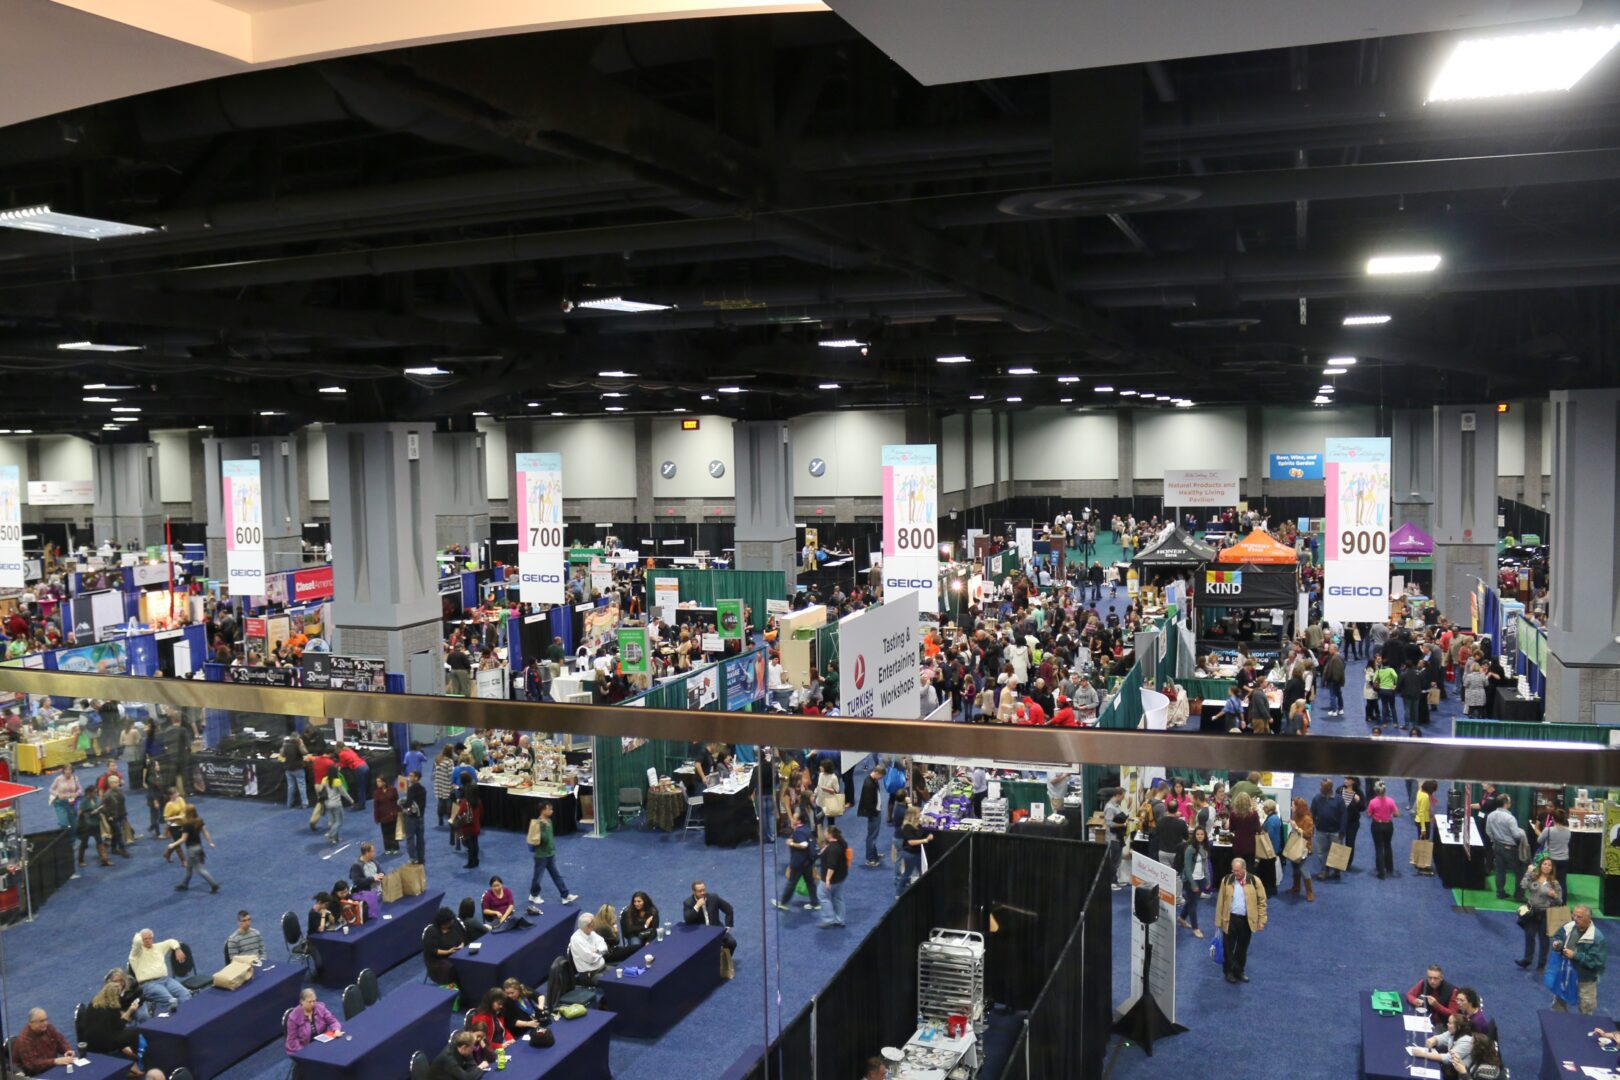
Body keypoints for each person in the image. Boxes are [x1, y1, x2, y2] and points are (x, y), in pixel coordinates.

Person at [1214, 857, 1267, 984]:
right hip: (1229, 919)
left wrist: (1262, 920)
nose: (1235, 873)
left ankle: (1239, 971)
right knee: (1228, 948)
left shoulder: (1254, 881)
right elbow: (1220, 901)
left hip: (1246, 920)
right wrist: (1218, 921)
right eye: (1233, 870)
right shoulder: (1226, 880)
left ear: (1244, 869)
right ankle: (1228, 972)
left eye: (1237, 871)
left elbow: (1262, 902)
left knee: (1242, 948)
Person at [1552, 904, 1607, 1015]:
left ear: (1589, 918)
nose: (1575, 919)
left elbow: (1597, 963)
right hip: (1565, 974)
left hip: (1584, 980)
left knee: (1586, 1010)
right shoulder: (1569, 926)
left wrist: (1575, 955)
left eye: (1579, 917)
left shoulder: (1597, 938)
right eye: (1574, 915)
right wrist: (1557, 942)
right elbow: (1558, 935)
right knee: (1558, 1004)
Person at [80, 977, 143, 1063]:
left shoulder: (93, 1003)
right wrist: (129, 1011)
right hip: (104, 1044)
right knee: (134, 1032)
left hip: (90, 1043)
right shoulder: (112, 1008)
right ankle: (136, 1058)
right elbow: (120, 1028)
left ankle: (126, 1051)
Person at [526, 801, 577, 908]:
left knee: (557, 875)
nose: (552, 811)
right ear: (543, 810)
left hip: (550, 854)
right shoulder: (538, 824)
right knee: (537, 877)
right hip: (541, 856)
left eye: (551, 809)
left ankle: (565, 895)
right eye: (549, 809)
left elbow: (550, 839)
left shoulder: (549, 821)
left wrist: (553, 850)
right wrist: (543, 828)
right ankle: (533, 895)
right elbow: (540, 839)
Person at [1518, 856, 1564, 970]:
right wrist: (1528, 872)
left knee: (1543, 939)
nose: (1546, 866)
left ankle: (1541, 963)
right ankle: (1527, 959)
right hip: (1531, 912)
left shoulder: (1554, 883)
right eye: (1544, 864)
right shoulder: (1533, 877)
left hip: (1545, 914)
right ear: (1540, 866)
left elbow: (1560, 902)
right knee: (1529, 936)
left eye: (1549, 865)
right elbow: (1523, 885)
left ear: (1552, 868)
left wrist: (1554, 896)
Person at [128, 930, 191, 1012]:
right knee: (171, 1001)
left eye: (150, 938)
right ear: (141, 940)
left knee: (185, 994)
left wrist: (177, 949)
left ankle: (187, 1014)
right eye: (145, 939)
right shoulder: (136, 953)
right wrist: (139, 935)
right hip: (149, 984)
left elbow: (171, 941)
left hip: (166, 980)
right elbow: (136, 942)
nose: (148, 940)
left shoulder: (158, 947)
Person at [166, 806, 218, 892]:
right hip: (199, 847)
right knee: (189, 867)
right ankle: (184, 884)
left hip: (191, 849)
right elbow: (206, 832)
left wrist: (173, 844)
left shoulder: (187, 825)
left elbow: (183, 839)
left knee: (200, 869)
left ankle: (214, 884)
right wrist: (210, 842)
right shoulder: (199, 820)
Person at [776, 810, 821, 911]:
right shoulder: (806, 829)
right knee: (810, 882)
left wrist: (791, 843)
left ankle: (783, 903)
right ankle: (815, 903)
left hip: (799, 862)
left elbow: (804, 845)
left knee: (792, 883)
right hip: (808, 862)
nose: (792, 819)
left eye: (794, 818)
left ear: (799, 821)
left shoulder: (798, 832)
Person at [1485, 794, 1526, 901]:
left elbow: (1488, 831)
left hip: (1497, 845)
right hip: (1510, 847)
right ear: (1506, 804)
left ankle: (1500, 893)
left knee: (1500, 870)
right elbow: (1516, 835)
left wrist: (1495, 840)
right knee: (1520, 872)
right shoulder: (1510, 818)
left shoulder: (1490, 815)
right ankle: (1519, 895)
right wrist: (1520, 836)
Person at [12, 1008, 74, 1075]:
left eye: (46, 1019)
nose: (45, 1023)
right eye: (41, 1021)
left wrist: (67, 1050)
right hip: (34, 1074)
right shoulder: (25, 1040)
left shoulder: (48, 1028)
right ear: (31, 1023)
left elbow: (60, 1041)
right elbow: (33, 1065)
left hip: (51, 1067)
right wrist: (55, 1061)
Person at [1411, 1011, 1475, 1075]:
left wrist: (1423, 1054)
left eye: (1450, 1023)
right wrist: (1433, 1040)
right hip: (1451, 1067)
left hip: (1459, 1074)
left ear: (1458, 1027)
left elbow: (1448, 1058)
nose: (1447, 1024)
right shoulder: (1453, 1032)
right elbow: (1441, 1037)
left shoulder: (1466, 1042)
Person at [1177, 824, 1213, 939]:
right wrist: (1192, 883)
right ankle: (1195, 928)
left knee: (1191, 901)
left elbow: (1205, 865)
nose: (1200, 836)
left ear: (1205, 835)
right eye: (1197, 834)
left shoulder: (1204, 847)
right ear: (1194, 835)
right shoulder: (1190, 849)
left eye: (1202, 834)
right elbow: (1187, 868)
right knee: (1193, 905)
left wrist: (1207, 879)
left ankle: (1181, 918)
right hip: (1190, 880)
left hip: (1201, 879)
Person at [684, 879, 737, 954]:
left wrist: (728, 927)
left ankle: (723, 958)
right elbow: (688, 920)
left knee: (732, 943)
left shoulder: (714, 898)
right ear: (694, 892)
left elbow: (729, 909)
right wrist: (697, 906)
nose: (703, 893)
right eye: (699, 891)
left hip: (716, 929)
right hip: (700, 933)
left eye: (704, 890)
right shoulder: (688, 903)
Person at [499, 978, 554, 1047]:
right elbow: (511, 1022)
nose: (510, 995)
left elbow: (540, 996)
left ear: (518, 990)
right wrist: (528, 1024)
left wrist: (540, 1007)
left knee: (547, 1035)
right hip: (522, 1029)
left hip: (534, 1021)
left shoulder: (524, 990)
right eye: (507, 993)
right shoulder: (506, 1002)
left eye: (512, 993)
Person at [283, 987, 341, 1053]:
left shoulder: (320, 1008)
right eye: (309, 1002)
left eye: (314, 1001)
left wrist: (336, 1030)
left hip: (321, 1043)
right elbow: (292, 1041)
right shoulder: (293, 1017)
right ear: (301, 1002)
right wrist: (305, 1051)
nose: (312, 1004)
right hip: (303, 1048)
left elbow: (333, 1021)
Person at [1534, 808, 1573, 903]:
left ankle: (1549, 902)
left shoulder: (1548, 830)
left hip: (1552, 860)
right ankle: (1562, 903)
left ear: (1553, 819)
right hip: (1564, 859)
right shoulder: (1568, 831)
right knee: (1562, 882)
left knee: (1550, 881)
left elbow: (1539, 840)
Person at [422, 906, 467, 985]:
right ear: (442, 923)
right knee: (451, 967)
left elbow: (460, 939)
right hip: (436, 960)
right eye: (449, 922)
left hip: (453, 954)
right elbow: (434, 951)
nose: (451, 922)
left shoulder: (452, 927)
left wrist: (461, 945)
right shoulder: (431, 931)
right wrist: (448, 951)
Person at [817, 824, 850, 929]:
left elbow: (831, 866)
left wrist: (827, 879)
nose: (824, 833)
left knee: (822, 896)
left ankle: (828, 919)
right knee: (838, 897)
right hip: (841, 876)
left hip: (832, 879)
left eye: (825, 832)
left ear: (830, 834)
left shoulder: (832, 849)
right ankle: (840, 920)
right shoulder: (841, 843)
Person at [1366, 781, 1400, 880]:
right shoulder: (1390, 801)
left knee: (1379, 847)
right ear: (1385, 791)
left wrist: (1375, 814)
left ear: (1375, 791)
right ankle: (1389, 867)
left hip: (1377, 825)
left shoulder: (1372, 802)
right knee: (1388, 845)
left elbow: (1369, 814)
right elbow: (1397, 814)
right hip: (1388, 825)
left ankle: (1381, 871)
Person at [568, 912, 608, 986]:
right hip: (590, 975)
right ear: (587, 926)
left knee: (619, 975)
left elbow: (604, 946)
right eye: (594, 923)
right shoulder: (576, 939)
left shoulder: (591, 933)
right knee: (611, 983)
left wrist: (597, 951)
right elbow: (590, 959)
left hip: (603, 968)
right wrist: (600, 954)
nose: (595, 925)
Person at [1287, 797, 1315, 901]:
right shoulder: (1296, 816)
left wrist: (1296, 828)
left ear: (1298, 807)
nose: (1291, 807)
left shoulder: (1307, 819)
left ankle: (1309, 892)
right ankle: (1296, 887)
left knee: (1303, 869)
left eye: (1293, 805)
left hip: (1304, 847)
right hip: (1295, 844)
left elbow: (1308, 834)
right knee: (1294, 867)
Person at [857, 766, 884, 868]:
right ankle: (870, 859)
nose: (881, 778)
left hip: (876, 812)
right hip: (873, 814)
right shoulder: (869, 784)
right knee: (872, 837)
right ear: (877, 773)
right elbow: (868, 803)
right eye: (881, 776)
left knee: (873, 835)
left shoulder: (873, 780)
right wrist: (875, 813)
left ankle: (874, 854)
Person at [316, 772, 353, 845]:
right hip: (336, 804)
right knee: (339, 821)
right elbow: (343, 793)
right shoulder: (337, 781)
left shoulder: (324, 780)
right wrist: (351, 800)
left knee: (333, 821)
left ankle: (335, 839)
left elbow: (322, 791)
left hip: (328, 804)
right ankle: (330, 834)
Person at [1103, 788, 1129, 890]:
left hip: (1118, 837)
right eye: (1123, 796)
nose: (1123, 798)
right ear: (1117, 795)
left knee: (1117, 860)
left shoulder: (1117, 806)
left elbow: (1119, 819)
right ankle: (1111, 882)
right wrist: (1123, 825)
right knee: (1113, 861)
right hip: (1113, 838)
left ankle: (1115, 880)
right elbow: (1109, 823)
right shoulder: (1110, 807)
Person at [453, 781, 483, 869]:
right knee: (475, 843)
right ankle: (475, 860)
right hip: (476, 826)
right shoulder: (479, 801)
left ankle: (470, 862)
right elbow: (481, 812)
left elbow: (459, 814)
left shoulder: (465, 802)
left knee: (469, 846)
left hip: (467, 828)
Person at [402, 769, 428, 866]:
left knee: (410, 838)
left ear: (416, 778)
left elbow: (408, 803)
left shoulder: (411, 789)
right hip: (420, 817)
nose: (409, 777)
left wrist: (402, 805)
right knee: (420, 838)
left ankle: (413, 858)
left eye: (411, 776)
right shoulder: (423, 788)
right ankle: (421, 858)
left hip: (411, 818)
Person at [48, 763, 82, 832]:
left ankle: (73, 837)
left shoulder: (75, 778)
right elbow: (50, 789)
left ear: (72, 771)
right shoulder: (58, 778)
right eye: (66, 770)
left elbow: (80, 789)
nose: (68, 771)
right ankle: (63, 833)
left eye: (69, 770)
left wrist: (77, 793)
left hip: (72, 802)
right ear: (63, 771)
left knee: (73, 824)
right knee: (64, 824)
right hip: (60, 802)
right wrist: (58, 795)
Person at [372, 776, 400, 855]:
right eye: (377, 782)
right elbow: (376, 806)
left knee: (393, 832)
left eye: (379, 781)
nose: (378, 783)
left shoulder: (392, 789)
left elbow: (396, 801)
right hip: (383, 816)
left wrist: (398, 811)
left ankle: (395, 847)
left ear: (384, 782)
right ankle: (388, 848)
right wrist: (376, 818)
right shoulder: (376, 792)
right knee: (385, 833)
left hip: (392, 814)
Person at [282, 731, 308, 809]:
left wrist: (283, 745)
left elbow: (282, 754)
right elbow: (305, 752)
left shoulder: (286, 745)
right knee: (302, 786)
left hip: (288, 769)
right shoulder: (298, 745)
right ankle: (304, 803)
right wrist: (302, 744)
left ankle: (289, 803)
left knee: (290, 787)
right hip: (298, 768)